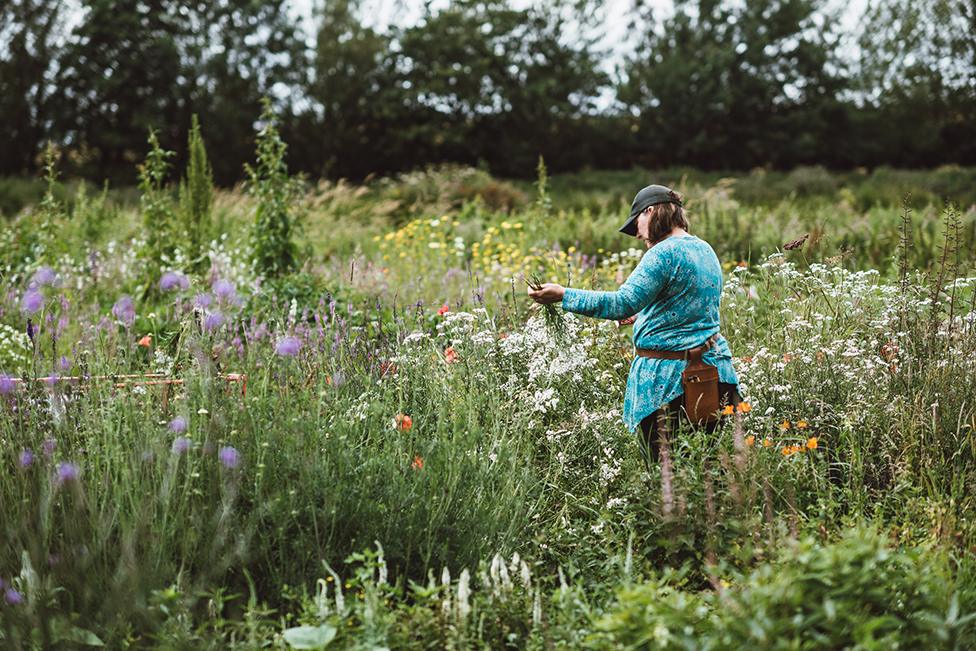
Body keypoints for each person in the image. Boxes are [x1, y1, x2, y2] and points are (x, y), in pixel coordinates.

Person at [527, 184, 741, 467]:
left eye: (637, 223)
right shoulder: (704, 248)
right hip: (715, 375)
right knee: (708, 472)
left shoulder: (662, 253)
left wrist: (563, 294)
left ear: (651, 211)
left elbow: (622, 303)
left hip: (673, 384)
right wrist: (647, 316)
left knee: (668, 478)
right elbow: (693, 305)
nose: (638, 234)